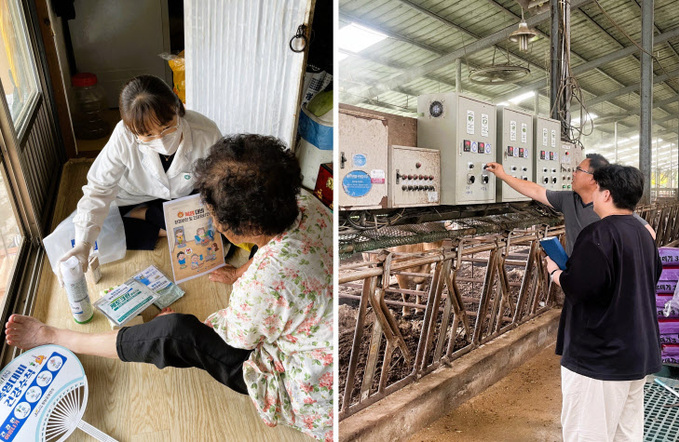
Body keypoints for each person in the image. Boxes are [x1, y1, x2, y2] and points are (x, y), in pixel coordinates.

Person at [6, 135, 334, 441]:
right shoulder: (305, 205)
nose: (211, 221)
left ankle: (54, 337)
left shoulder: (264, 284)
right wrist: (239, 275)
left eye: (213, 217)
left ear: (243, 227)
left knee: (174, 332)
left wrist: (206, 318)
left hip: (317, 391)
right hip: (337, 343)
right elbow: (272, 254)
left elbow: (238, 339)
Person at [59, 75, 222, 275]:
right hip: (130, 198)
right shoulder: (123, 137)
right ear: (132, 130)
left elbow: (218, 181)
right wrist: (83, 245)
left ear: (179, 109)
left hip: (182, 196)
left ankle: (149, 216)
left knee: (209, 232)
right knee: (94, 239)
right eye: (148, 135)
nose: (160, 139)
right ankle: (158, 220)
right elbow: (99, 190)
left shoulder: (206, 132)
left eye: (167, 127)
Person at [545, 164, 662, 441]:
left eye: (596, 189)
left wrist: (555, 272)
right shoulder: (643, 233)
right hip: (637, 353)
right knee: (626, 433)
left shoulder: (598, 234)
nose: (593, 196)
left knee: (589, 434)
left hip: (600, 359)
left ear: (606, 194)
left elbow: (580, 288)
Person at [486, 153, 655, 255]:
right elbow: (536, 191)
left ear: (593, 178)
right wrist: (503, 175)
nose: (573, 173)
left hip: (600, 278)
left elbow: (649, 234)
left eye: (578, 170)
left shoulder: (612, 207)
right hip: (577, 274)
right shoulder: (568, 199)